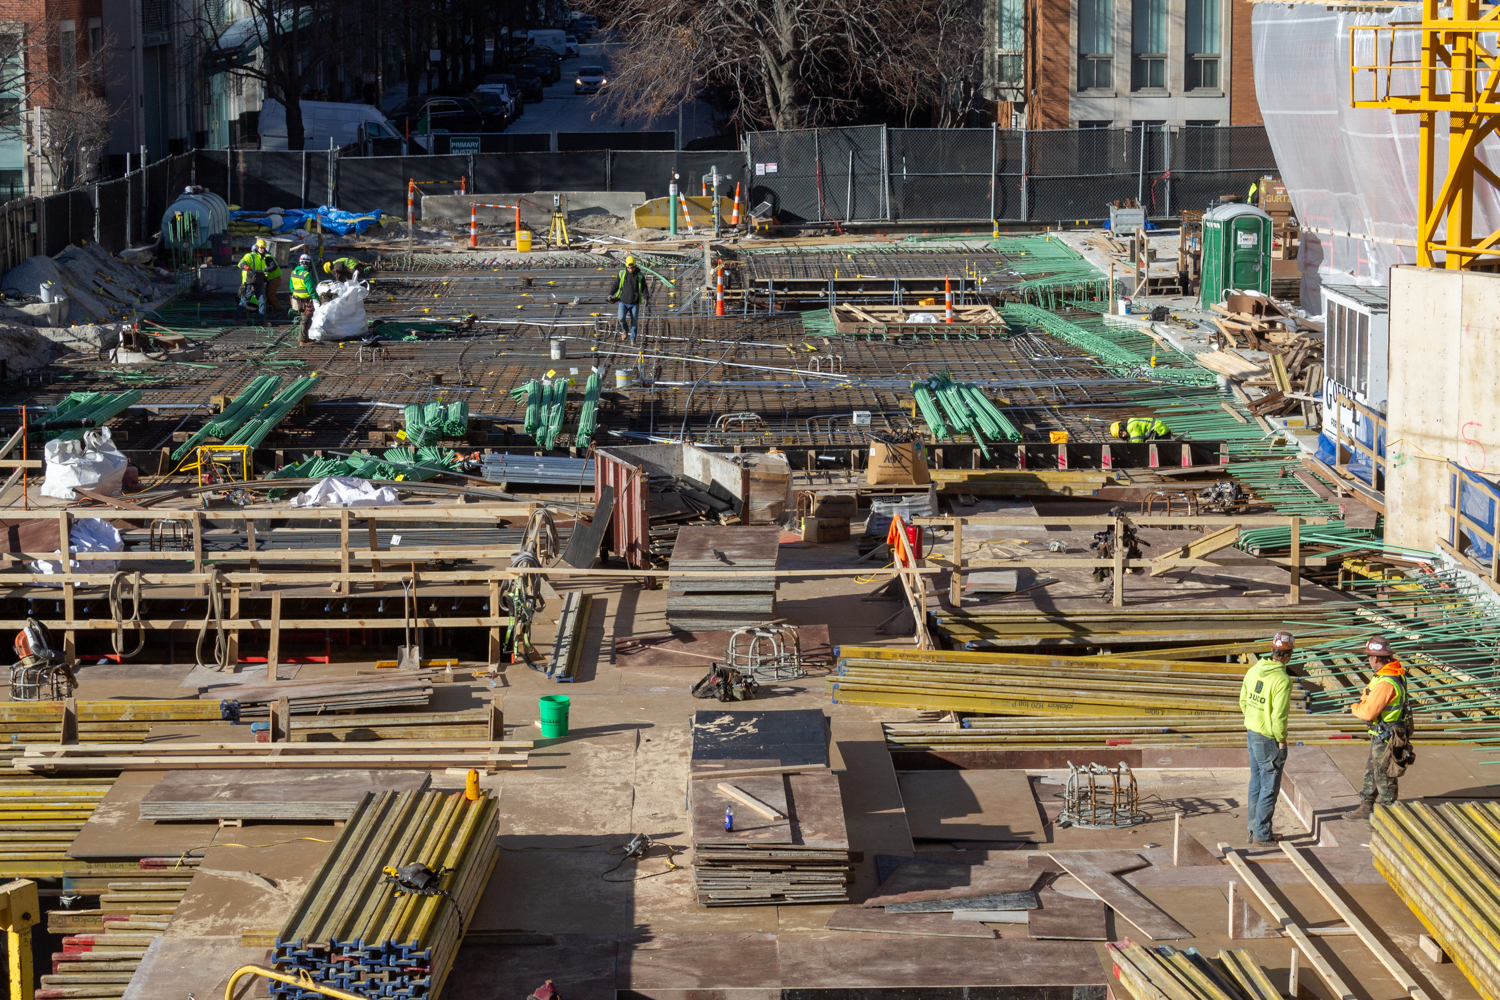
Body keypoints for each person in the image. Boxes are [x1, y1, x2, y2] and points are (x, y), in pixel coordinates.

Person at [1349, 636, 1414, 819]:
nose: (1369, 660)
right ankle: (1366, 806)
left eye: (1369, 657)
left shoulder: (1386, 683)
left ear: (1375, 658)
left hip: (1386, 737)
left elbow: (1369, 713)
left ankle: (1389, 815)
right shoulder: (1391, 674)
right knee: (1372, 771)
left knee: (1384, 777)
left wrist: (1354, 708)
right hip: (1384, 734)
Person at [1240, 630, 1294, 846]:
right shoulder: (1282, 679)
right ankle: (1262, 834)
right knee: (1269, 787)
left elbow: (1244, 701)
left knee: (1256, 783)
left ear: (1272, 650)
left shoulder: (1254, 671)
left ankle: (1253, 828)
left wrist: (1255, 720)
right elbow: (1278, 716)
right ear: (1289, 655)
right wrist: (1281, 740)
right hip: (1268, 738)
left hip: (1252, 733)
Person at [609, 255, 650, 343]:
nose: (631, 270)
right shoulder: (622, 274)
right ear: (626, 267)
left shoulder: (639, 276)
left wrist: (646, 297)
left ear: (635, 266)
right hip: (623, 301)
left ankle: (633, 339)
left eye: (632, 268)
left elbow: (644, 288)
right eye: (629, 268)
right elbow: (615, 285)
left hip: (634, 302)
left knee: (634, 322)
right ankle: (625, 330)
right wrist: (610, 294)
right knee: (620, 318)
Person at [238, 238, 282, 311]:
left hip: (273, 278)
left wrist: (263, 272)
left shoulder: (266, 257)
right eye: (261, 248)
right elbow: (241, 264)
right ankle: (264, 312)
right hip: (260, 280)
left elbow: (273, 266)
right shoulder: (258, 258)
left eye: (263, 248)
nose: (262, 250)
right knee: (262, 299)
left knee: (269, 296)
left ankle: (279, 310)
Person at [289, 254, 316, 343]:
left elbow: (291, 287)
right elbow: (311, 289)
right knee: (305, 319)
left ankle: (305, 338)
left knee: (304, 318)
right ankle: (302, 340)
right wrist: (317, 299)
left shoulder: (293, 272)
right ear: (306, 263)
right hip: (305, 301)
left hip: (297, 300)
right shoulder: (307, 275)